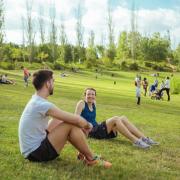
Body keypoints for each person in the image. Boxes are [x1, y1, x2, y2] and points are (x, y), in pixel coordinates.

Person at [18, 70, 111, 168]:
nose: (54, 84)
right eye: (53, 81)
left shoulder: (36, 100)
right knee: (70, 124)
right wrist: (88, 125)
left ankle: (83, 153)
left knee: (62, 120)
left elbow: (66, 118)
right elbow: (77, 120)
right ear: (47, 83)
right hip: (36, 153)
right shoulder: (42, 104)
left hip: (32, 150)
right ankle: (91, 159)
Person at [73, 88, 159, 149]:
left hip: (98, 129)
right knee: (115, 119)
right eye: (88, 94)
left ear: (95, 96)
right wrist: (84, 130)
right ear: (85, 95)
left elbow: (92, 119)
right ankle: (136, 141)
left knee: (123, 118)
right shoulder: (81, 103)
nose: (91, 96)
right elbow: (75, 120)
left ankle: (144, 139)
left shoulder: (94, 103)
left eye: (93, 94)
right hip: (91, 131)